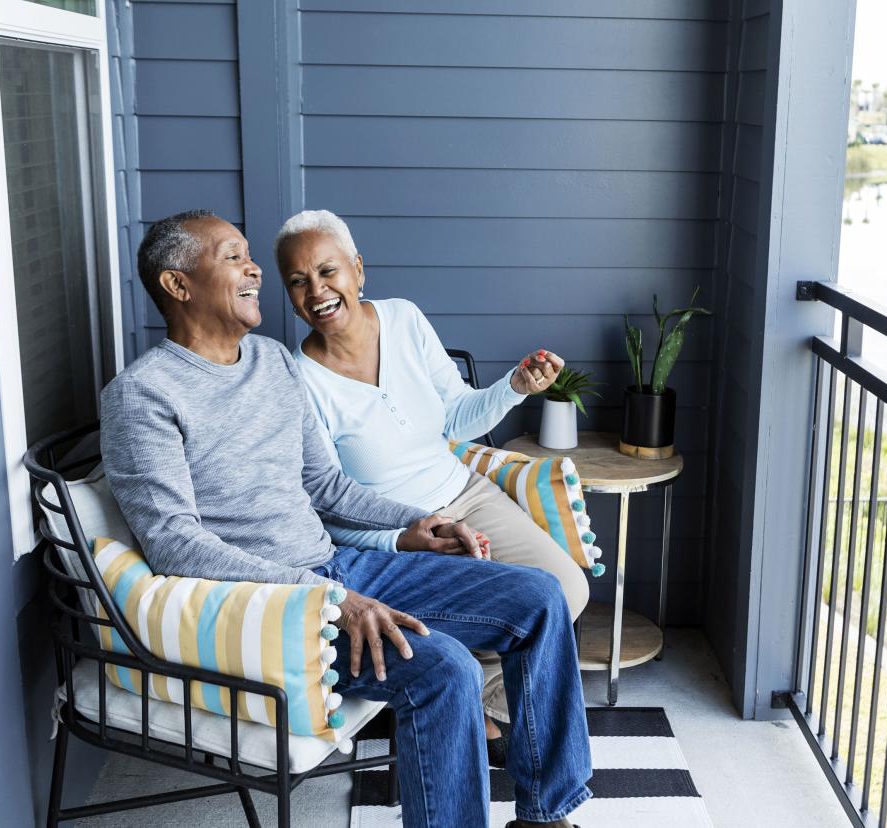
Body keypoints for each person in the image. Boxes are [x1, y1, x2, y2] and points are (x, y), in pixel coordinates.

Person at [100, 209, 591, 828]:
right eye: (232, 257)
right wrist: (330, 597)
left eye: (250, 255)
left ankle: (544, 817)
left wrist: (422, 520)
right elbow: (175, 545)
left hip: (338, 569)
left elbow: (326, 485)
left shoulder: (272, 363)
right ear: (178, 285)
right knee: (445, 671)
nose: (255, 269)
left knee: (541, 597)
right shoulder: (143, 395)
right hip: (273, 607)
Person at [275, 210, 590, 762]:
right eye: (299, 282)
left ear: (358, 269)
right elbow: (326, 505)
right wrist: (404, 536)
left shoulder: (404, 319)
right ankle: (486, 717)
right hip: (397, 534)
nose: (317, 291)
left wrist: (513, 387)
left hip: (465, 492)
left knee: (568, 590)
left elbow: (455, 419)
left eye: (328, 272)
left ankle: (485, 708)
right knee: (503, 617)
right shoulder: (297, 379)